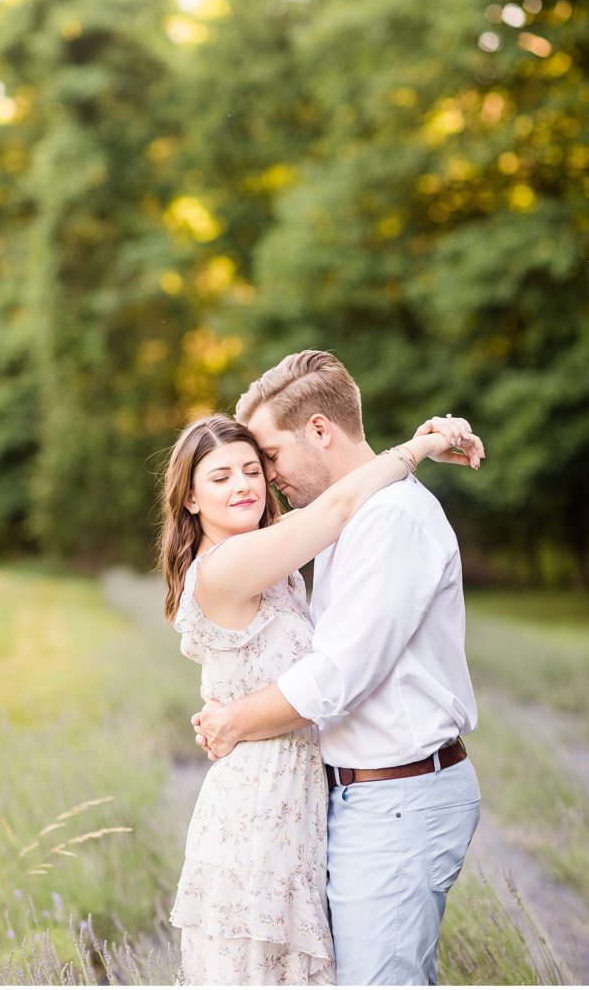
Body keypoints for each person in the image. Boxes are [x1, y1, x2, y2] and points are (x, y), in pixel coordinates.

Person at [161, 386, 483, 985]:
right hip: (261, 804)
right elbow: (334, 510)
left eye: (259, 464)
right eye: (221, 476)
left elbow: (339, 511)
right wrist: (420, 444)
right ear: (190, 501)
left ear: (317, 429)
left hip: (312, 801)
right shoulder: (233, 564)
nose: (253, 483)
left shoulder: (305, 547)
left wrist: (238, 717)